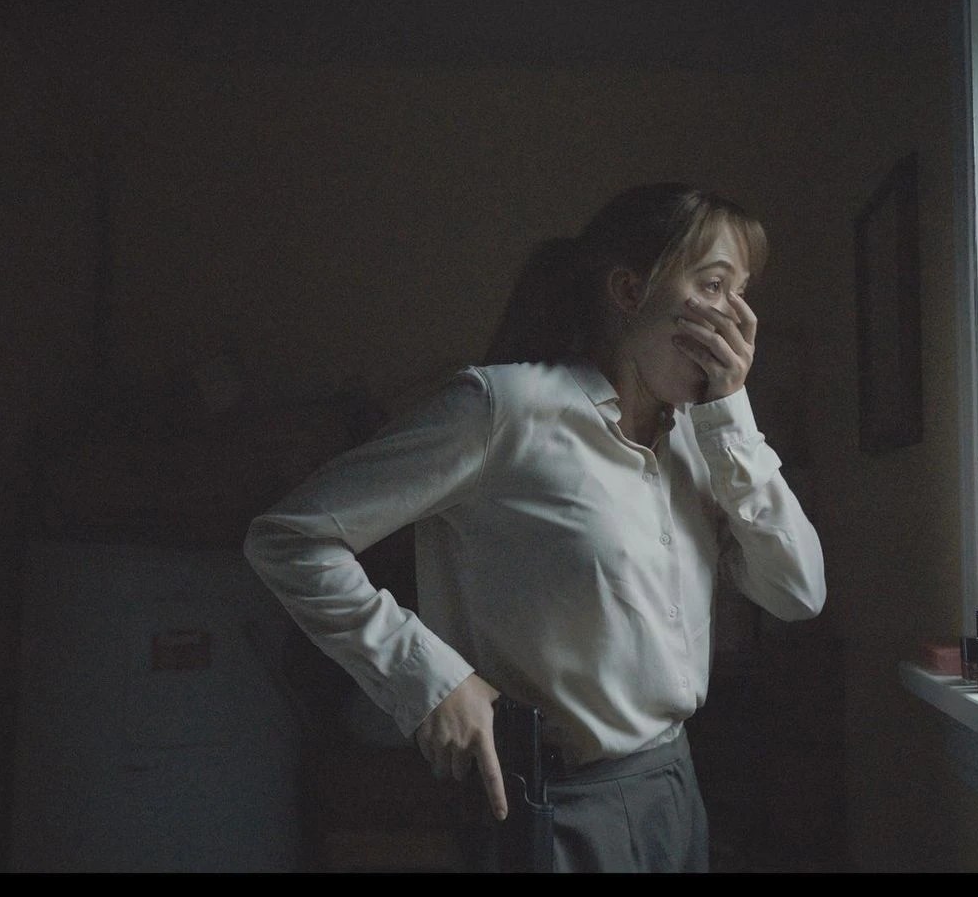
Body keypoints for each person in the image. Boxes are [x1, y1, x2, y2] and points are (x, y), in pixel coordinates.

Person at [243, 182, 827, 873]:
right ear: (630, 291)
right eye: (714, 285)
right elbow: (290, 538)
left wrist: (731, 416)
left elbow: (798, 593)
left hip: (674, 789)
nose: (738, 320)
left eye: (743, 293)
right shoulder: (504, 410)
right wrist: (429, 679)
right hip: (554, 807)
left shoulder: (705, 444)